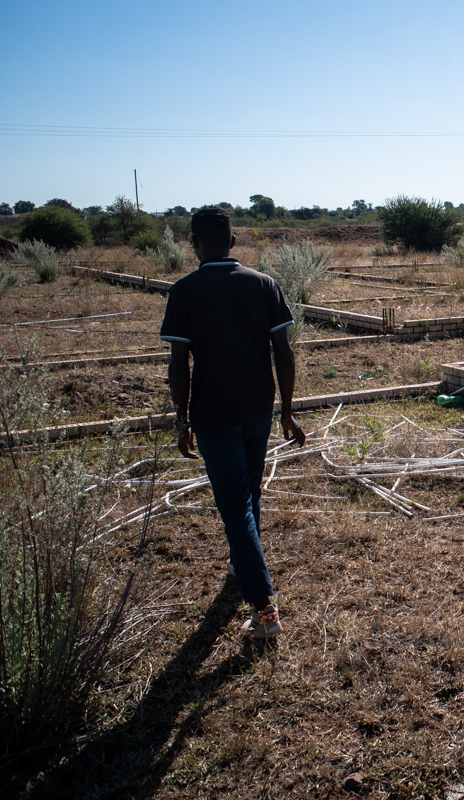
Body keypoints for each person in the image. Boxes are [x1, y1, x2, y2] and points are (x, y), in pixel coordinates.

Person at [160, 205, 305, 638]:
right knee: (247, 495)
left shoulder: (184, 291)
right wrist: (288, 411)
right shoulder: (263, 285)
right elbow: (283, 352)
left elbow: (177, 364)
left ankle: (264, 611)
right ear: (233, 241)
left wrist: (182, 419)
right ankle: (244, 559)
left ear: (193, 242)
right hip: (257, 410)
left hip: (214, 415)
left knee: (234, 504)